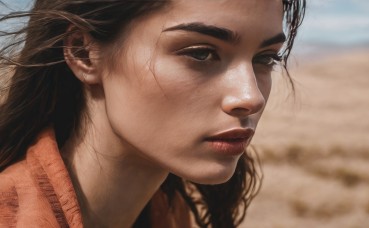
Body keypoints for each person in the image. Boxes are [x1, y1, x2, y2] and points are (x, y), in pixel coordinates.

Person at [0, 0, 306, 227]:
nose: (250, 97)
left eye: (265, 58)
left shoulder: (169, 212)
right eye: (201, 53)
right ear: (84, 53)